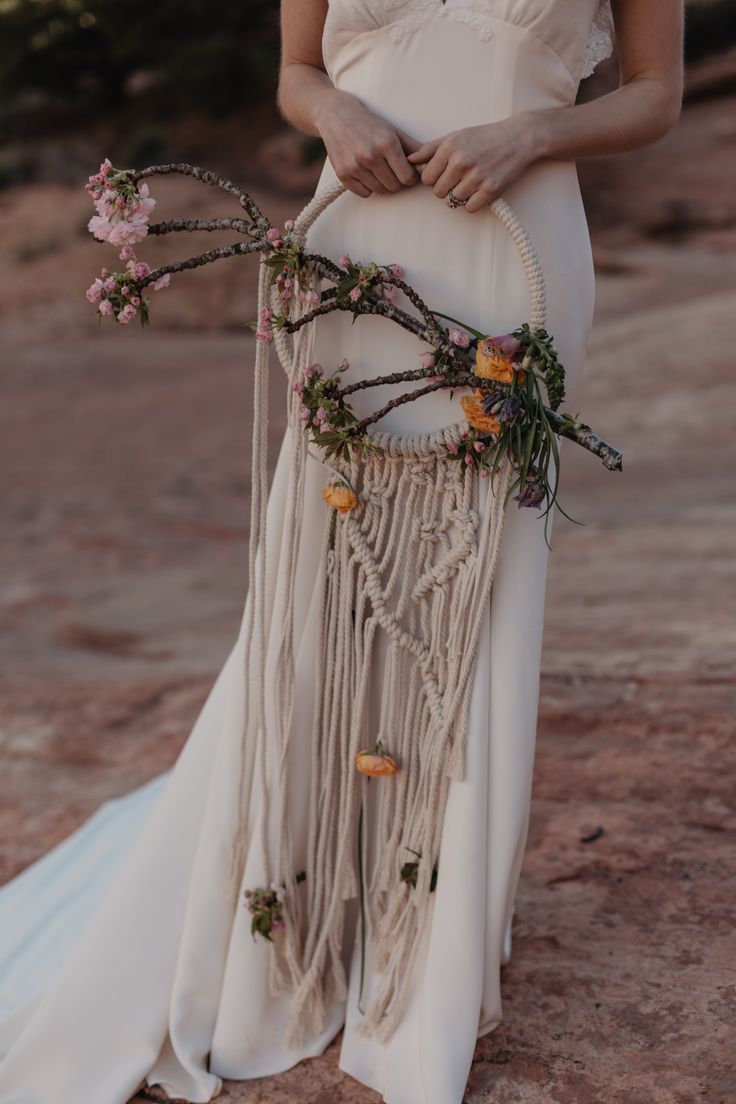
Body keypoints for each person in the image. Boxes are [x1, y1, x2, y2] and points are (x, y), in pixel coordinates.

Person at [0, 2, 683, 1103]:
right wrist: (336, 113)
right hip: (358, 240)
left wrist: (531, 134)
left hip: (512, 248)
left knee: (475, 587)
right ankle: (292, 908)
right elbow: (296, 70)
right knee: (320, 562)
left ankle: (430, 934)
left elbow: (655, 93)